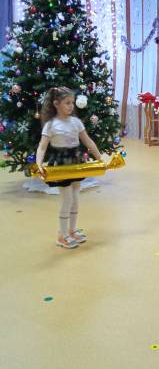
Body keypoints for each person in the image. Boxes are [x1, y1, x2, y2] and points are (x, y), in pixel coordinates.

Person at [35, 86, 103, 249]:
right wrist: (38, 164)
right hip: (61, 165)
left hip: (75, 163)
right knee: (67, 200)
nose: (71, 106)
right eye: (67, 103)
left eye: (72, 102)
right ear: (56, 104)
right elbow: (42, 147)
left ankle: (72, 231)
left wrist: (100, 159)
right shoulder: (51, 125)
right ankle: (62, 235)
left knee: (76, 199)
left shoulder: (76, 122)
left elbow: (88, 141)